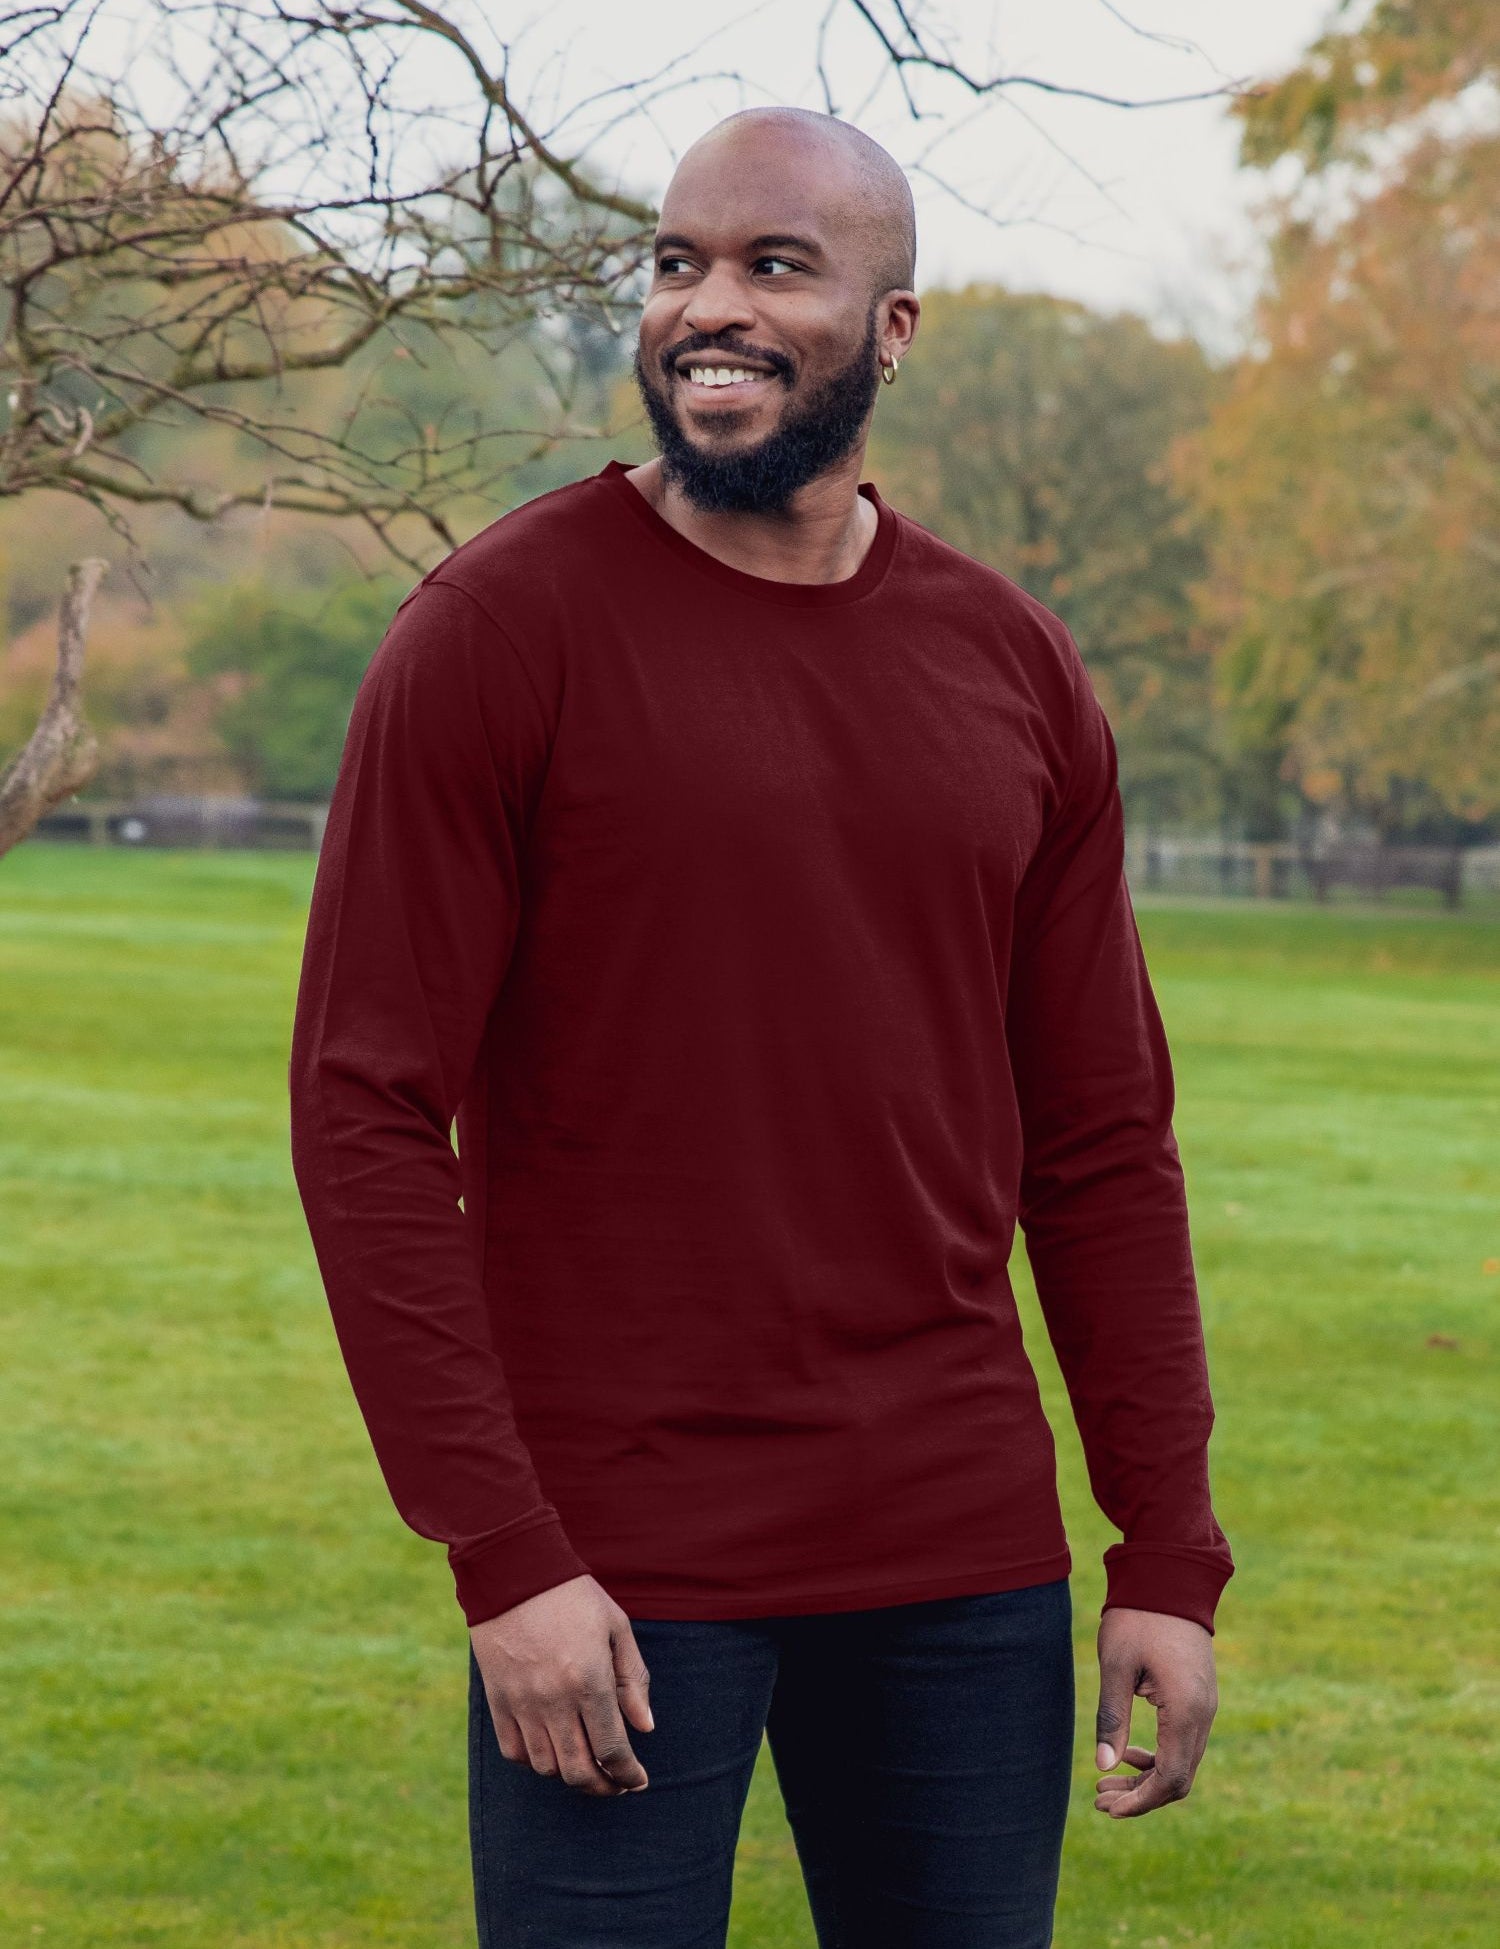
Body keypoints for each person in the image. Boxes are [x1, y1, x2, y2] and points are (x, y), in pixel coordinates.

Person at [288, 103, 1233, 1949]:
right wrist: (505, 1553)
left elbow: (1105, 1138)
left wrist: (1168, 1550)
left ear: (890, 330)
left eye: (774, 266)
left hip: (959, 1556)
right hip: (617, 1574)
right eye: (675, 263)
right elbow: (366, 1112)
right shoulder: (497, 633)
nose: (706, 307)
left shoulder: (1014, 665)